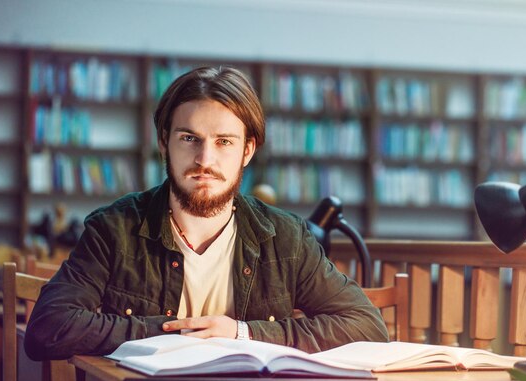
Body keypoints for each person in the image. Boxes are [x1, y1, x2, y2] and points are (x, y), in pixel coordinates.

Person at [25, 66, 388, 361]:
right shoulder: (114, 228)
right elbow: (48, 328)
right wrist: (174, 333)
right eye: (189, 138)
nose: (205, 160)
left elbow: (367, 326)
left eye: (223, 142)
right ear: (163, 141)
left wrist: (242, 333)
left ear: (247, 150)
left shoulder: (287, 237)